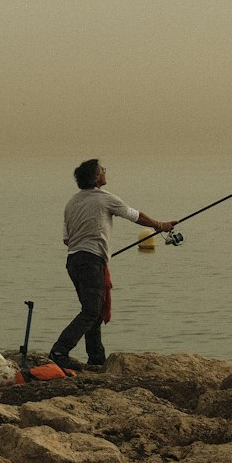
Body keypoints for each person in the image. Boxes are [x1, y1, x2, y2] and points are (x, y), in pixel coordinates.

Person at [50, 158, 176, 370]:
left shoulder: (72, 202)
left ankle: (96, 358)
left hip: (74, 260)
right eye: (102, 170)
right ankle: (59, 350)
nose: (105, 172)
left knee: (94, 311)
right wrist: (160, 225)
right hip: (91, 260)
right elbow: (134, 216)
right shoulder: (104, 199)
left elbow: (66, 239)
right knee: (91, 311)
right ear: (96, 176)